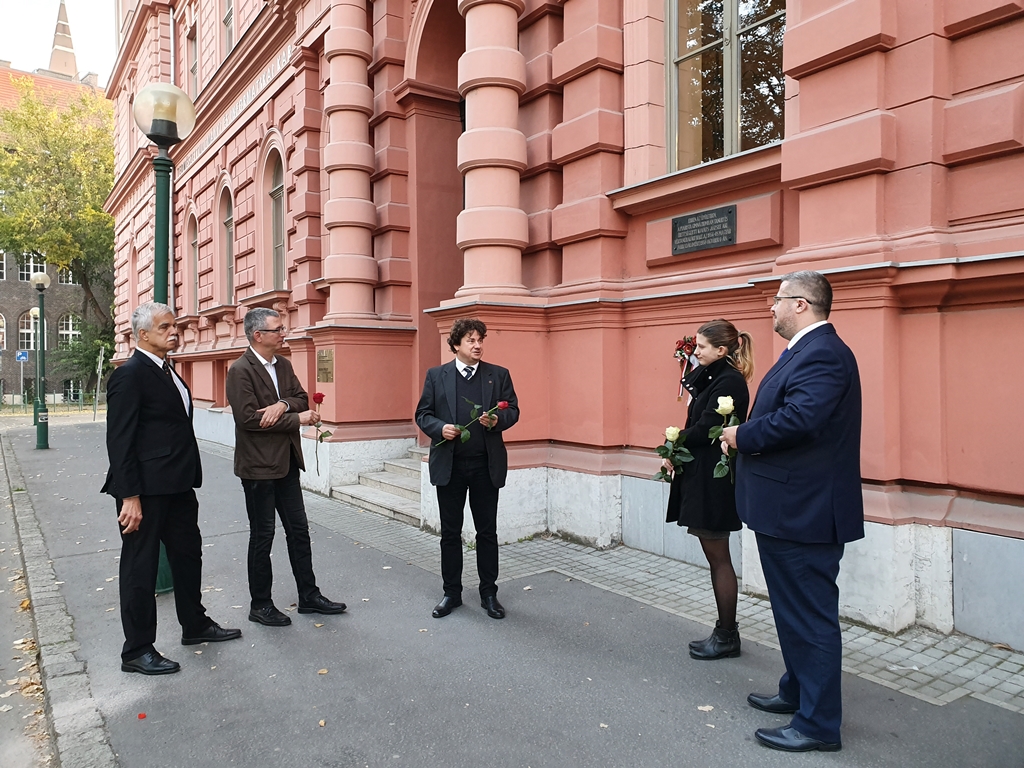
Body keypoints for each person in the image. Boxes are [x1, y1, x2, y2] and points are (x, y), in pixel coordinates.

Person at [720, 271, 863, 753]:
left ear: (801, 304)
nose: (771, 308)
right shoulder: (808, 351)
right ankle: (797, 692)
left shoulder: (822, 353)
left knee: (809, 616)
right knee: (793, 613)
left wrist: (743, 436)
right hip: (790, 508)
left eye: (777, 300)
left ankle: (818, 725)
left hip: (806, 512)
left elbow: (801, 419)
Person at [103, 302, 242, 675]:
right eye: (165, 327)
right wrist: (129, 496)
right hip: (144, 491)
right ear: (143, 334)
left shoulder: (168, 370)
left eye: (174, 326)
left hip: (177, 485)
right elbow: (119, 441)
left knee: (187, 555)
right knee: (141, 568)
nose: (174, 332)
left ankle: (194, 625)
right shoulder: (130, 374)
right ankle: (136, 649)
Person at [225, 307, 346, 627]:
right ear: (258, 335)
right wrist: (296, 418)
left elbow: (301, 398)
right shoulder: (240, 370)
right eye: (278, 329)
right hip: (258, 468)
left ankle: (309, 595)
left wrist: (281, 406)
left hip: (287, 462)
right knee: (263, 536)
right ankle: (260, 604)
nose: (284, 334)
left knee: (299, 531)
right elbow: (249, 419)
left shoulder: (284, 364)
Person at [415, 318, 519, 620]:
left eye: (481, 340)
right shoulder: (437, 376)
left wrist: (498, 420)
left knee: (487, 532)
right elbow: (423, 413)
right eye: (471, 340)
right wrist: (439, 428)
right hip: (451, 466)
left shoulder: (498, 375)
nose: (478, 345)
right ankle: (452, 593)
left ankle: (489, 593)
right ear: (456, 344)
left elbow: (512, 410)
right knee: (450, 532)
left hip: (486, 465)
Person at [665, 319, 753, 661]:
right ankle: (725, 631)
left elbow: (706, 429)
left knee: (719, 558)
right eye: (696, 345)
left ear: (722, 350)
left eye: (701, 347)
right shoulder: (715, 378)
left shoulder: (729, 382)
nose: (695, 351)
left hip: (713, 483)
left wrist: (672, 442)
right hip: (703, 478)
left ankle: (727, 634)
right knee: (716, 556)